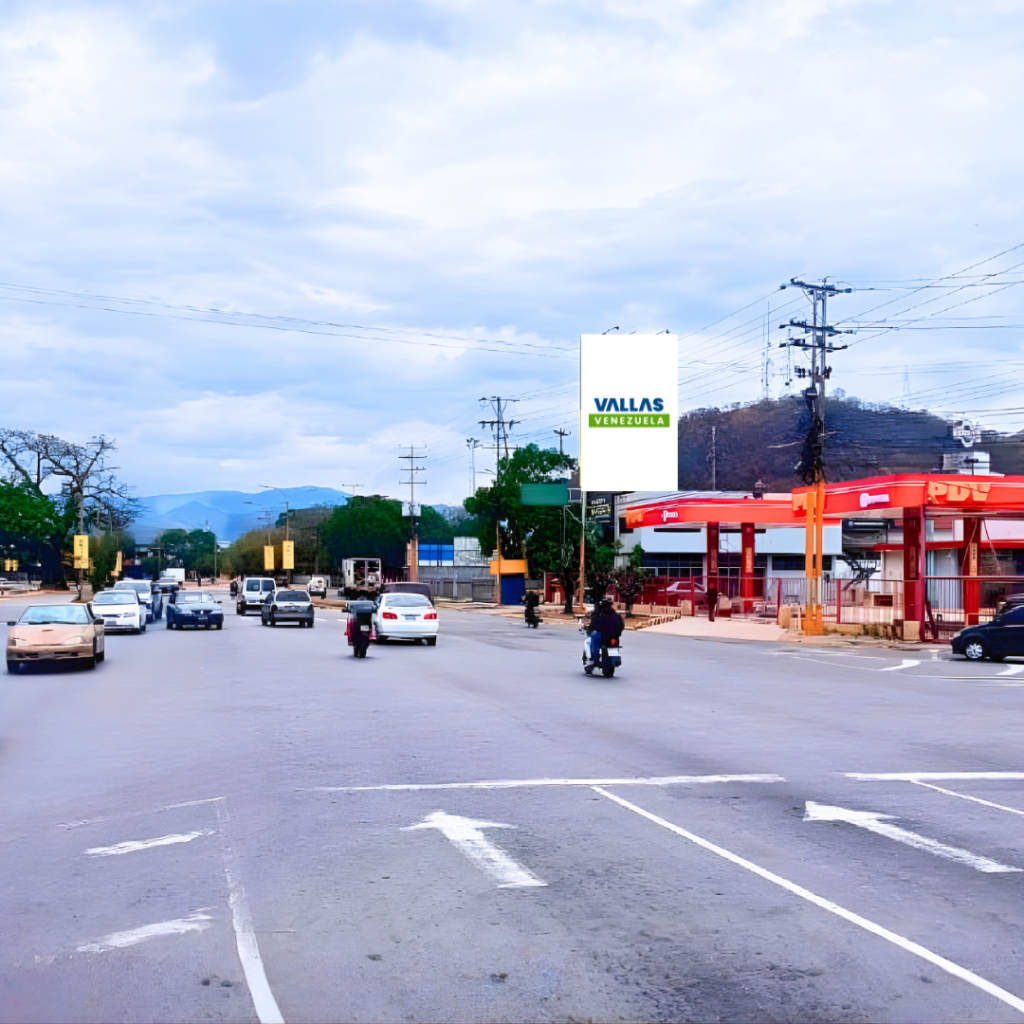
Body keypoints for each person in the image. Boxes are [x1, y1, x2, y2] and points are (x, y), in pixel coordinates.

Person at [588, 596, 624, 661]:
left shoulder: (599, 616)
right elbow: (621, 627)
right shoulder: (617, 616)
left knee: (594, 636)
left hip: (604, 637)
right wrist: (617, 635)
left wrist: (590, 630)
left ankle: (594, 659)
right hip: (613, 637)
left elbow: (593, 625)